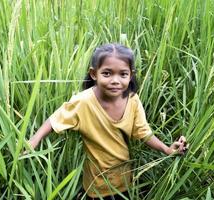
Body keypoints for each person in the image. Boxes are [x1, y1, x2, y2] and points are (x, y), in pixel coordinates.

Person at [27, 43, 188, 199]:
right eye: (107, 73)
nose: (115, 80)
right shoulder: (83, 102)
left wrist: (167, 149)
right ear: (93, 73)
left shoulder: (132, 100)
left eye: (123, 74)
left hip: (125, 181)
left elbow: (144, 133)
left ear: (130, 75)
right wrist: (34, 139)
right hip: (96, 186)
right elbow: (55, 120)